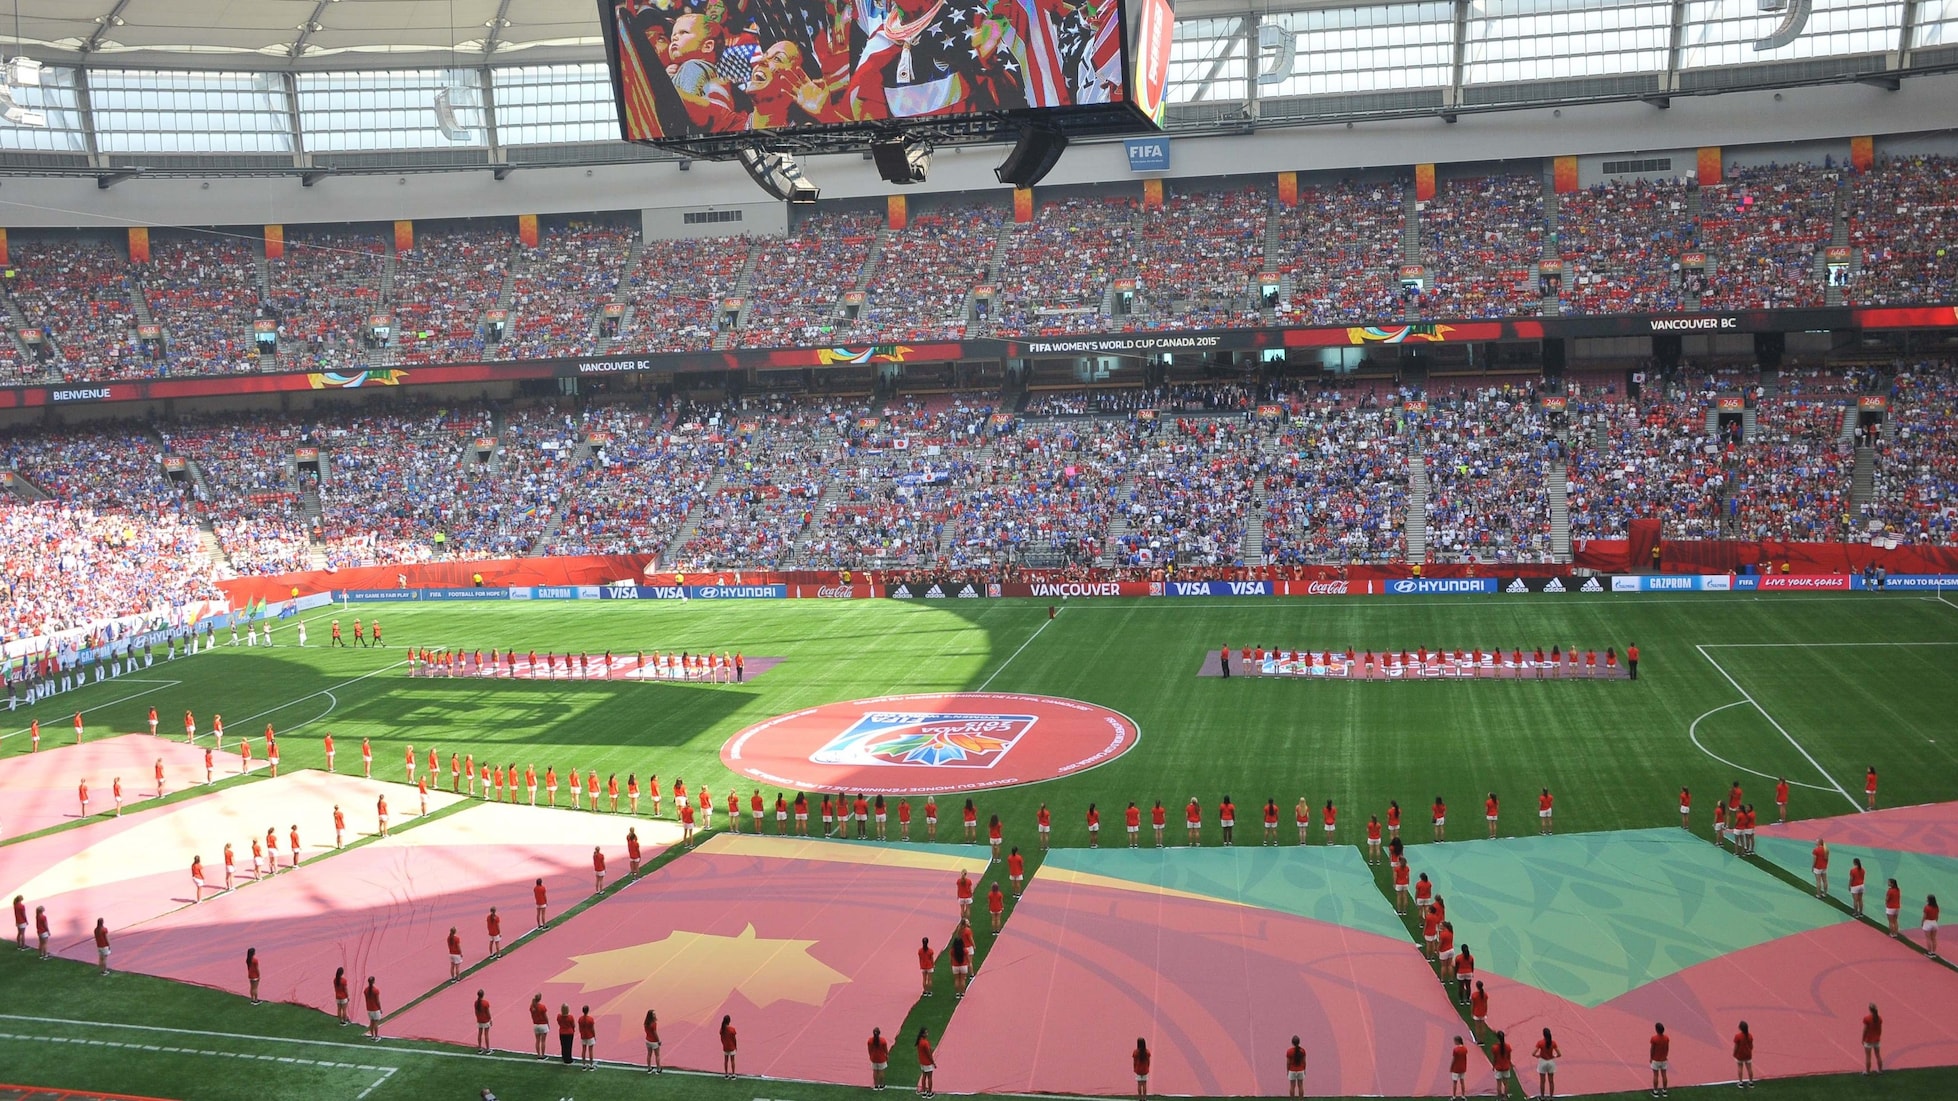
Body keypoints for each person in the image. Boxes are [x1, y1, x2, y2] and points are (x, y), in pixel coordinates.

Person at [1533, 1027, 1561, 1099]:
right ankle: (1551, 1097)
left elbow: (1533, 1053)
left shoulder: (1540, 1043)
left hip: (1543, 1062)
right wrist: (1554, 1056)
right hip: (1550, 1062)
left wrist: (1538, 1056)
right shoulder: (1553, 1043)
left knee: (1542, 1081)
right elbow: (1559, 1054)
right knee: (1551, 1081)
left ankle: (1542, 1097)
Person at [1490, 1030, 1515, 1099]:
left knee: (1499, 1084)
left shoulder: (1494, 1047)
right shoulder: (1508, 1046)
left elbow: (1494, 1058)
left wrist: (1493, 1065)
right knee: (1506, 1083)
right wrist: (1510, 1064)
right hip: (1506, 1067)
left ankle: (1499, 1097)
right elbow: (1509, 1057)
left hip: (1498, 1067)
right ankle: (1505, 1098)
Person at [1650, 1022, 1670, 1096]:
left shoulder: (1654, 1039)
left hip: (1656, 1059)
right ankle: (1664, 1090)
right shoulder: (1666, 1038)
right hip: (1663, 1059)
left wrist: (1651, 1058)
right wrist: (1665, 1055)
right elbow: (1667, 1048)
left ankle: (1655, 1091)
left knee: (1655, 1075)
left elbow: (1652, 1049)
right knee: (1664, 1075)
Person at [914, 1027, 935, 1099]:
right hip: (927, 1063)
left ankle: (923, 1090)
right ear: (923, 1034)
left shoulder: (919, 1041)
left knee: (924, 1076)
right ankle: (929, 1093)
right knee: (929, 1077)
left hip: (922, 1062)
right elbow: (929, 1054)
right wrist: (933, 1063)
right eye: (926, 1032)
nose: (927, 1033)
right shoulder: (925, 1043)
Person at [1732, 1020, 1754, 1088]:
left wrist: (1734, 1053)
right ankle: (1751, 1082)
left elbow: (1736, 1046)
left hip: (1740, 1055)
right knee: (1749, 1068)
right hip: (1748, 1055)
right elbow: (1751, 1046)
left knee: (1740, 1067)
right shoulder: (1750, 1036)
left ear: (1740, 1028)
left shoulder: (1738, 1036)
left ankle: (1740, 1082)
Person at [867, 1026, 889, 1091]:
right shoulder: (883, 1041)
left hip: (874, 1058)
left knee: (875, 1072)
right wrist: (887, 1056)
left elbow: (869, 1050)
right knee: (881, 1071)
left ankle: (876, 1085)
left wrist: (871, 1056)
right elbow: (885, 1050)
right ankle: (881, 1085)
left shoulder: (870, 1040)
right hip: (881, 1058)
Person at [1862, 1003, 1882, 1074]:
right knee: (1878, 1055)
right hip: (1876, 1039)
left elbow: (1865, 1030)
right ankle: (1880, 1070)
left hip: (1868, 1040)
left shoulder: (1867, 1019)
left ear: (1870, 1010)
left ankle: (1867, 1071)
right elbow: (1880, 1030)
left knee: (1868, 1056)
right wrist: (1878, 1036)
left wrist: (1863, 1039)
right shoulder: (1879, 1018)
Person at [948, 932, 969, 999]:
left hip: (955, 966)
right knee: (962, 980)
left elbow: (951, 959)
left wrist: (951, 964)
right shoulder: (964, 950)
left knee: (957, 980)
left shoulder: (952, 950)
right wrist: (967, 964)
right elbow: (967, 958)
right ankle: (962, 993)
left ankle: (957, 993)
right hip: (963, 965)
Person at [1449, 1034, 1469, 1099]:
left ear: (1457, 1041)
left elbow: (1454, 1059)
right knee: (1462, 1082)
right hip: (1462, 1068)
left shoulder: (1456, 1050)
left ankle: (1454, 1096)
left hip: (1456, 1068)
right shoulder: (1465, 1049)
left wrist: (1451, 1067)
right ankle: (1463, 1095)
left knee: (1455, 1082)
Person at [529, 995, 549, 1059]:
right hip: (543, 1024)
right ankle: (543, 1055)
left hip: (536, 1025)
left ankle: (538, 1055)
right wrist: (548, 1023)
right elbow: (545, 1016)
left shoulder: (532, 1007)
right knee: (543, 1041)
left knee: (537, 1040)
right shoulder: (542, 1007)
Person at [577, 1005, 597, 1070]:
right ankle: (591, 1065)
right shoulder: (590, 1019)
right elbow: (592, 1029)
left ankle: (583, 1065)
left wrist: (581, 1033)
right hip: (590, 1036)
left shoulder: (580, 1019)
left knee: (583, 1050)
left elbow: (579, 1028)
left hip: (583, 1036)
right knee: (590, 1051)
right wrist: (594, 1035)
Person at [473, 989, 492, 1054]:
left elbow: (476, 1012)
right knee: (486, 1034)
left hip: (479, 1020)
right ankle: (488, 1049)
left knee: (479, 1033)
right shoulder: (485, 1003)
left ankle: (480, 1048)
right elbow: (488, 1012)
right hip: (485, 1020)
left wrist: (478, 1018)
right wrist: (490, 1019)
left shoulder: (476, 1002)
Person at [1133, 1037, 1151, 1101]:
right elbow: (1148, 1061)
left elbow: (1134, 1061)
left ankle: (1140, 1098)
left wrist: (1135, 1068)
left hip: (1138, 1070)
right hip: (1145, 1070)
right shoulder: (1147, 1052)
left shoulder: (1135, 1052)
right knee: (1144, 1084)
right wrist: (1147, 1067)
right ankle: (1145, 1098)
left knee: (1139, 1085)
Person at [644, 1008, 662, 1074]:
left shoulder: (646, 1023)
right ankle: (658, 1069)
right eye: (654, 1014)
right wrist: (659, 1040)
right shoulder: (653, 1024)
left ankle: (649, 1068)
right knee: (657, 1055)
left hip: (647, 1040)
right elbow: (655, 1033)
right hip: (654, 1041)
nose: (655, 1015)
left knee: (649, 1054)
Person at [721, 1014, 739, 1079]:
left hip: (725, 1047)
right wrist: (735, 1046)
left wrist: (724, 1044)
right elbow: (734, 1039)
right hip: (731, 1047)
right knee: (732, 1060)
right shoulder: (732, 1029)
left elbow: (722, 1038)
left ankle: (726, 1074)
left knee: (726, 1060)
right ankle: (733, 1074)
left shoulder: (722, 1029)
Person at [1924, 894, 1940, 959]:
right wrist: (1935, 921)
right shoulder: (1936, 907)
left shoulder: (1926, 907)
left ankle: (1929, 952)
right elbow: (1937, 916)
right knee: (1933, 938)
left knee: (1928, 938)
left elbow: (1924, 916)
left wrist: (1922, 922)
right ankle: (1933, 952)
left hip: (1928, 922)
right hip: (1934, 922)